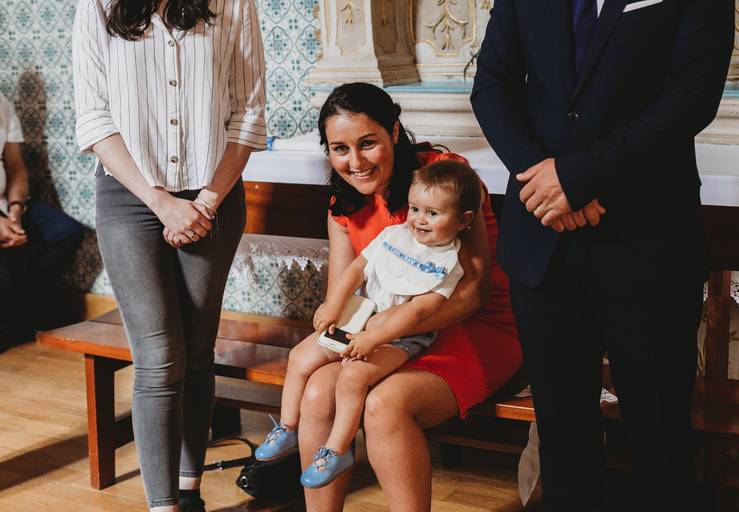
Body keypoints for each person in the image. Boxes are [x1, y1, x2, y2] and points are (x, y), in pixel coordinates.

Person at [471, 1, 734, 510]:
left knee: (659, 440)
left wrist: (578, 178)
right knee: (562, 437)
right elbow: (492, 85)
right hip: (543, 241)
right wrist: (543, 180)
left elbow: (691, 97)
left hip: (647, 242)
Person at [290, 82, 522, 510]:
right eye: (339, 149)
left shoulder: (444, 176)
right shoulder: (344, 203)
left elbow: (473, 293)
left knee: (384, 403)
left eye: (367, 144)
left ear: (394, 132)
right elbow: (343, 296)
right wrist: (332, 341)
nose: (355, 162)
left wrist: (388, 329)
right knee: (320, 389)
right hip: (388, 331)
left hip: (474, 326)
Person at [72, 0, 266, 510]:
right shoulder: (97, 5)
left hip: (214, 196)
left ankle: (189, 492)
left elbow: (247, 111)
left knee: (197, 354)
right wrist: (160, 202)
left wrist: (203, 202)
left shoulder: (233, 4)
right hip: (128, 198)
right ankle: (162, 507)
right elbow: (93, 117)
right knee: (158, 360)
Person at [255, 160, 482, 488]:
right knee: (300, 358)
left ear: (463, 221)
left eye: (433, 213)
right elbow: (357, 268)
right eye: (416, 208)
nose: (419, 219)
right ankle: (288, 427)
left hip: (400, 339)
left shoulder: (448, 265)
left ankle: (337, 450)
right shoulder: (394, 235)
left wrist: (375, 339)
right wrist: (333, 304)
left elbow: (415, 313)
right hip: (359, 318)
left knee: (353, 376)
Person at [0, 91, 83, 344]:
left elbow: (15, 166)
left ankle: (26, 308)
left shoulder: (2, 104)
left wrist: (15, 211)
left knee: (64, 231)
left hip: (6, 205)